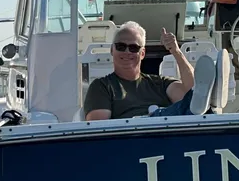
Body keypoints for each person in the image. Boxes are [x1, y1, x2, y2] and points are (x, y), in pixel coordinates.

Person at [83, 21, 216, 120]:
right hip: (133, 140)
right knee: (167, 114)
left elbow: (190, 93)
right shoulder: (102, 86)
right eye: (121, 46)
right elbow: (100, 127)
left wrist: (176, 52)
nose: (127, 52)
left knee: (194, 101)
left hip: (170, 139)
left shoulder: (160, 83)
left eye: (134, 48)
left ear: (142, 53)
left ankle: (210, 98)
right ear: (112, 50)